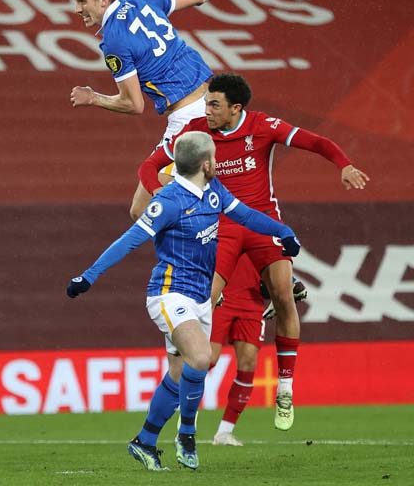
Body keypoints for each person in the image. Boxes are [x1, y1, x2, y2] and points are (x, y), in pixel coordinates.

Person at [138, 72, 369, 430]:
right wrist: (157, 191)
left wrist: (345, 165)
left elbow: (316, 141)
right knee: (202, 301)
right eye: (206, 103)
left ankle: (285, 388)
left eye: (214, 105)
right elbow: (148, 166)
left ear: (236, 108)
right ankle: (182, 369)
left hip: (262, 222)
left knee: (283, 295)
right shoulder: (196, 131)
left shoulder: (263, 126)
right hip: (223, 227)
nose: (207, 111)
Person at [66, 131, 300, 472]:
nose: (217, 162)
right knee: (201, 357)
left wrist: (283, 231)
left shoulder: (214, 190)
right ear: (206, 164)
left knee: (178, 375)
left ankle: (144, 441)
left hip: (200, 298)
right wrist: (88, 276)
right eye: (214, 158)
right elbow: (129, 240)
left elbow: (247, 216)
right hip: (168, 294)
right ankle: (187, 435)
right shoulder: (168, 202)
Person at [61, 0, 244, 219]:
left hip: (188, 120)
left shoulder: (114, 40)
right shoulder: (141, 1)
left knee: (143, 210)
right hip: (213, 101)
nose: (77, 9)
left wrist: (93, 98)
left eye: (82, 1)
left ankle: (208, 236)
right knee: (200, 195)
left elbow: (133, 104)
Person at [210, 257, 308, 446]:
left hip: (251, 299)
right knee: (206, 359)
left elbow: (272, 254)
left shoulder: (271, 235)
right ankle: (185, 426)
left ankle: (224, 432)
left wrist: (289, 283)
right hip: (221, 293)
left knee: (248, 364)